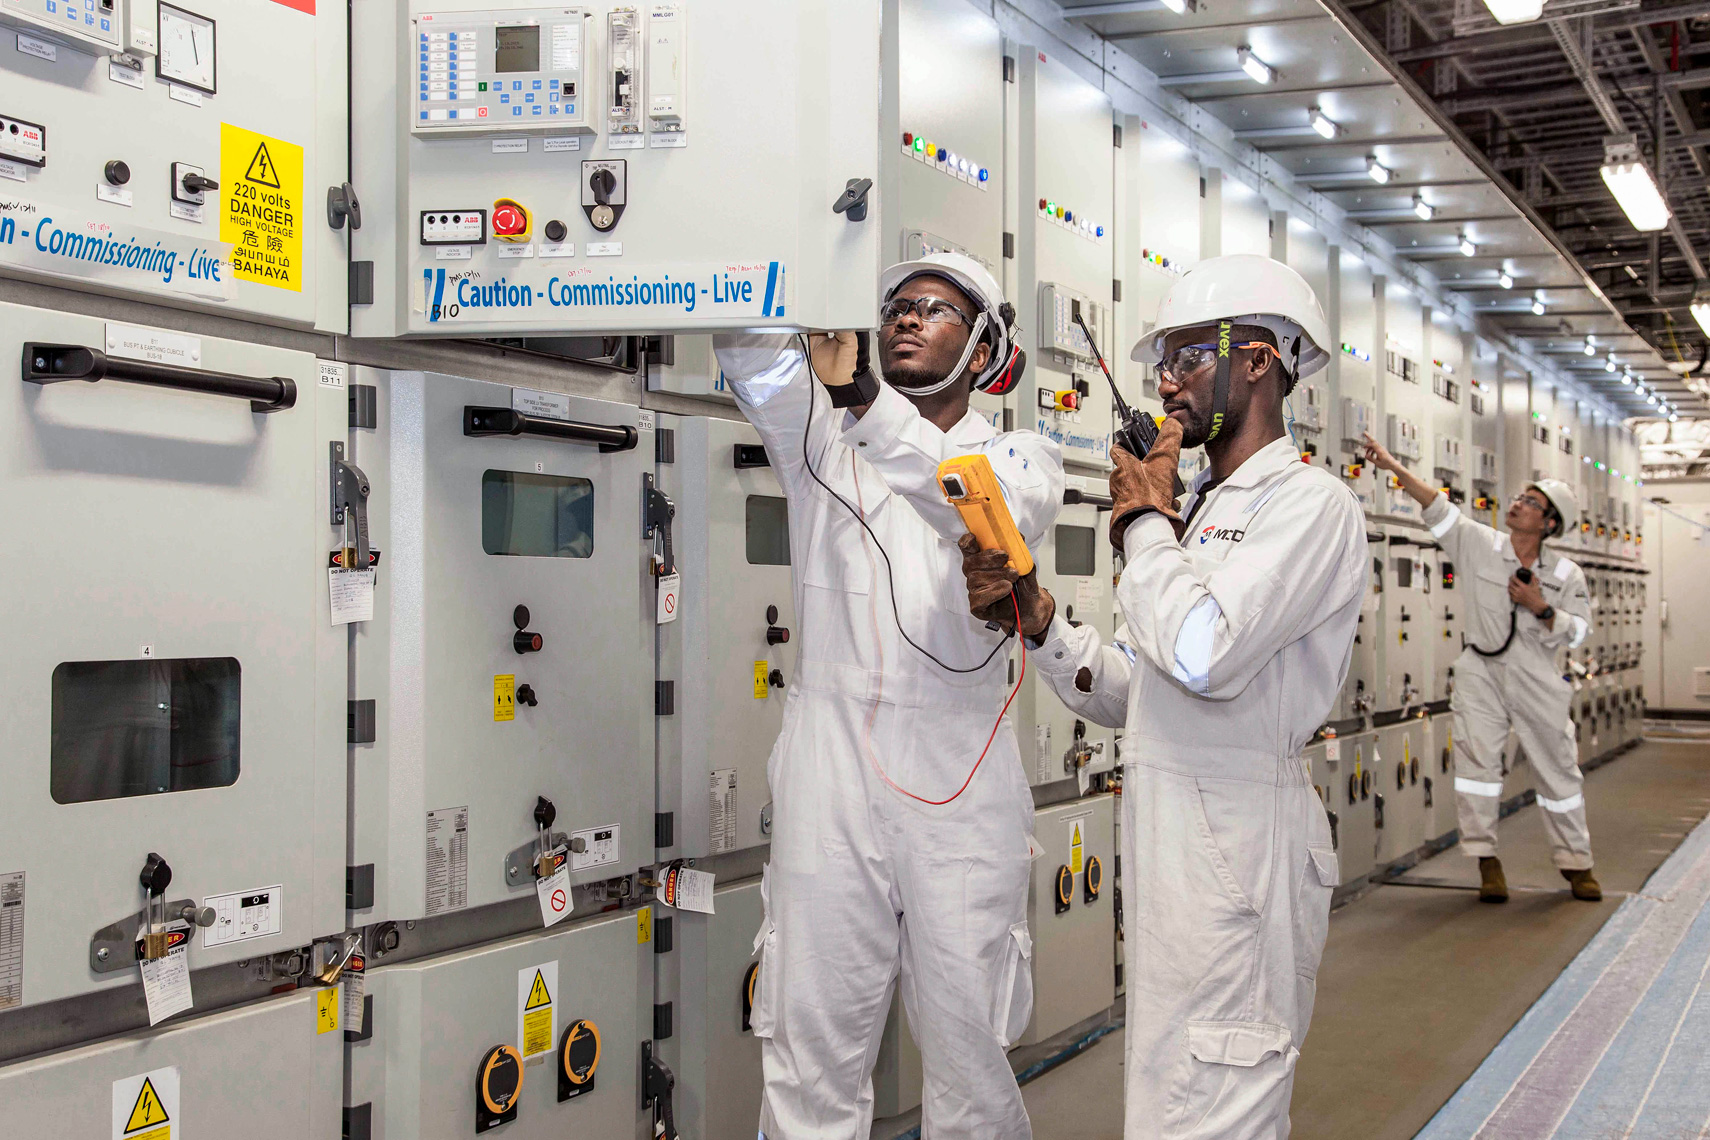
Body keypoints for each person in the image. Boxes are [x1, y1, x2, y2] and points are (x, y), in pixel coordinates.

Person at [961, 253, 1366, 1139]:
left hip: (1239, 849)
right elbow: (1144, 694)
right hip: (1177, 841)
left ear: (1258, 361)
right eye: (1163, 363)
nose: (1165, 382)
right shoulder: (1208, 508)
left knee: (1214, 1106)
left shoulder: (1308, 504)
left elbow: (1204, 652)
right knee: (1171, 1101)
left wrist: (1146, 523)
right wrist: (1040, 620)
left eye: (1186, 357)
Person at [713, 251, 1063, 1140]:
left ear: (984, 349)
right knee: (807, 1048)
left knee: (969, 1056)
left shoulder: (1022, 454)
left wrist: (867, 401)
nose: (908, 318)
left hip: (960, 775)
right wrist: (784, 243)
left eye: (937, 309)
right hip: (827, 764)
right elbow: (749, 351)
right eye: (897, 306)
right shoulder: (816, 435)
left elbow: (974, 502)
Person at [1360, 440, 1598, 903]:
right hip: (1481, 671)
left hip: (1536, 676)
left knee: (1559, 771)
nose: (1517, 504)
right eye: (1519, 497)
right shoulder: (1481, 544)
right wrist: (1391, 464)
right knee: (1478, 767)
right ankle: (1486, 859)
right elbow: (1435, 505)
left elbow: (1580, 633)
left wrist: (1542, 609)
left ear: (1549, 524)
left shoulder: (1567, 575)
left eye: (1531, 503)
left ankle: (1577, 863)